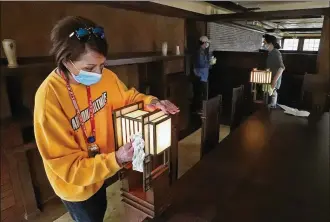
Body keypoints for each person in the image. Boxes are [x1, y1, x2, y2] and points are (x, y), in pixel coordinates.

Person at [33, 16, 179, 222]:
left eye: (102, 65)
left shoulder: (106, 77)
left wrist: (153, 101)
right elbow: (68, 167)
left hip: (102, 170)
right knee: (90, 216)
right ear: (66, 61)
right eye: (90, 68)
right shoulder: (49, 98)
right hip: (77, 186)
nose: (99, 74)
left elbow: (129, 98)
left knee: (100, 207)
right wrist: (117, 159)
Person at [192, 36, 216, 113]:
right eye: (207, 43)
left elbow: (209, 65)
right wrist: (210, 63)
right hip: (200, 76)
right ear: (204, 43)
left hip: (204, 76)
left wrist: (210, 56)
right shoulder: (199, 52)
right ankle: (200, 110)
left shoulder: (204, 51)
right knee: (200, 95)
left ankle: (202, 110)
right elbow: (202, 64)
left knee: (203, 94)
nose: (208, 44)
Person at [263, 34, 285, 108]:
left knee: (272, 98)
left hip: (273, 81)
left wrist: (274, 81)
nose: (264, 44)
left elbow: (281, 68)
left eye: (265, 43)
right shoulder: (271, 53)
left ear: (270, 44)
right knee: (268, 98)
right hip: (269, 79)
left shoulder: (276, 52)